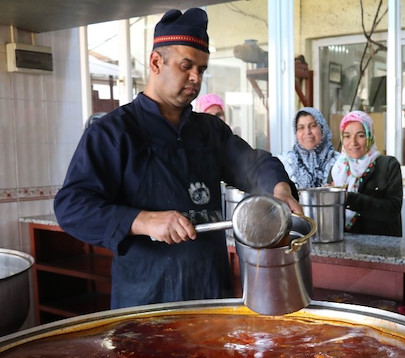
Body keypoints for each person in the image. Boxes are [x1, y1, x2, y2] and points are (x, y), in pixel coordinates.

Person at [54, 8, 302, 309]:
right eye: (186, 66)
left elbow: (254, 163)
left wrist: (279, 188)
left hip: (209, 292)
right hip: (146, 298)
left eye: (202, 69)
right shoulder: (113, 132)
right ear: (156, 62)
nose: (196, 77)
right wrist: (142, 220)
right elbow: (72, 207)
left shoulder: (209, 131)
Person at [329, 111, 403, 237]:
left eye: (360, 135)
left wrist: (348, 198)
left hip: (382, 248)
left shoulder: (388, 165)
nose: (353, 142)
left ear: (370, 136)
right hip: (344, 245)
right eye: (347, 136)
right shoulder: (337, 169)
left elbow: (392, 210)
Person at [277, 107, 340, 188]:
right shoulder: (284, 162)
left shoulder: (340, 162)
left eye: (313, 126)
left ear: (322, 128)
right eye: (301, 127)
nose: (307, 132)